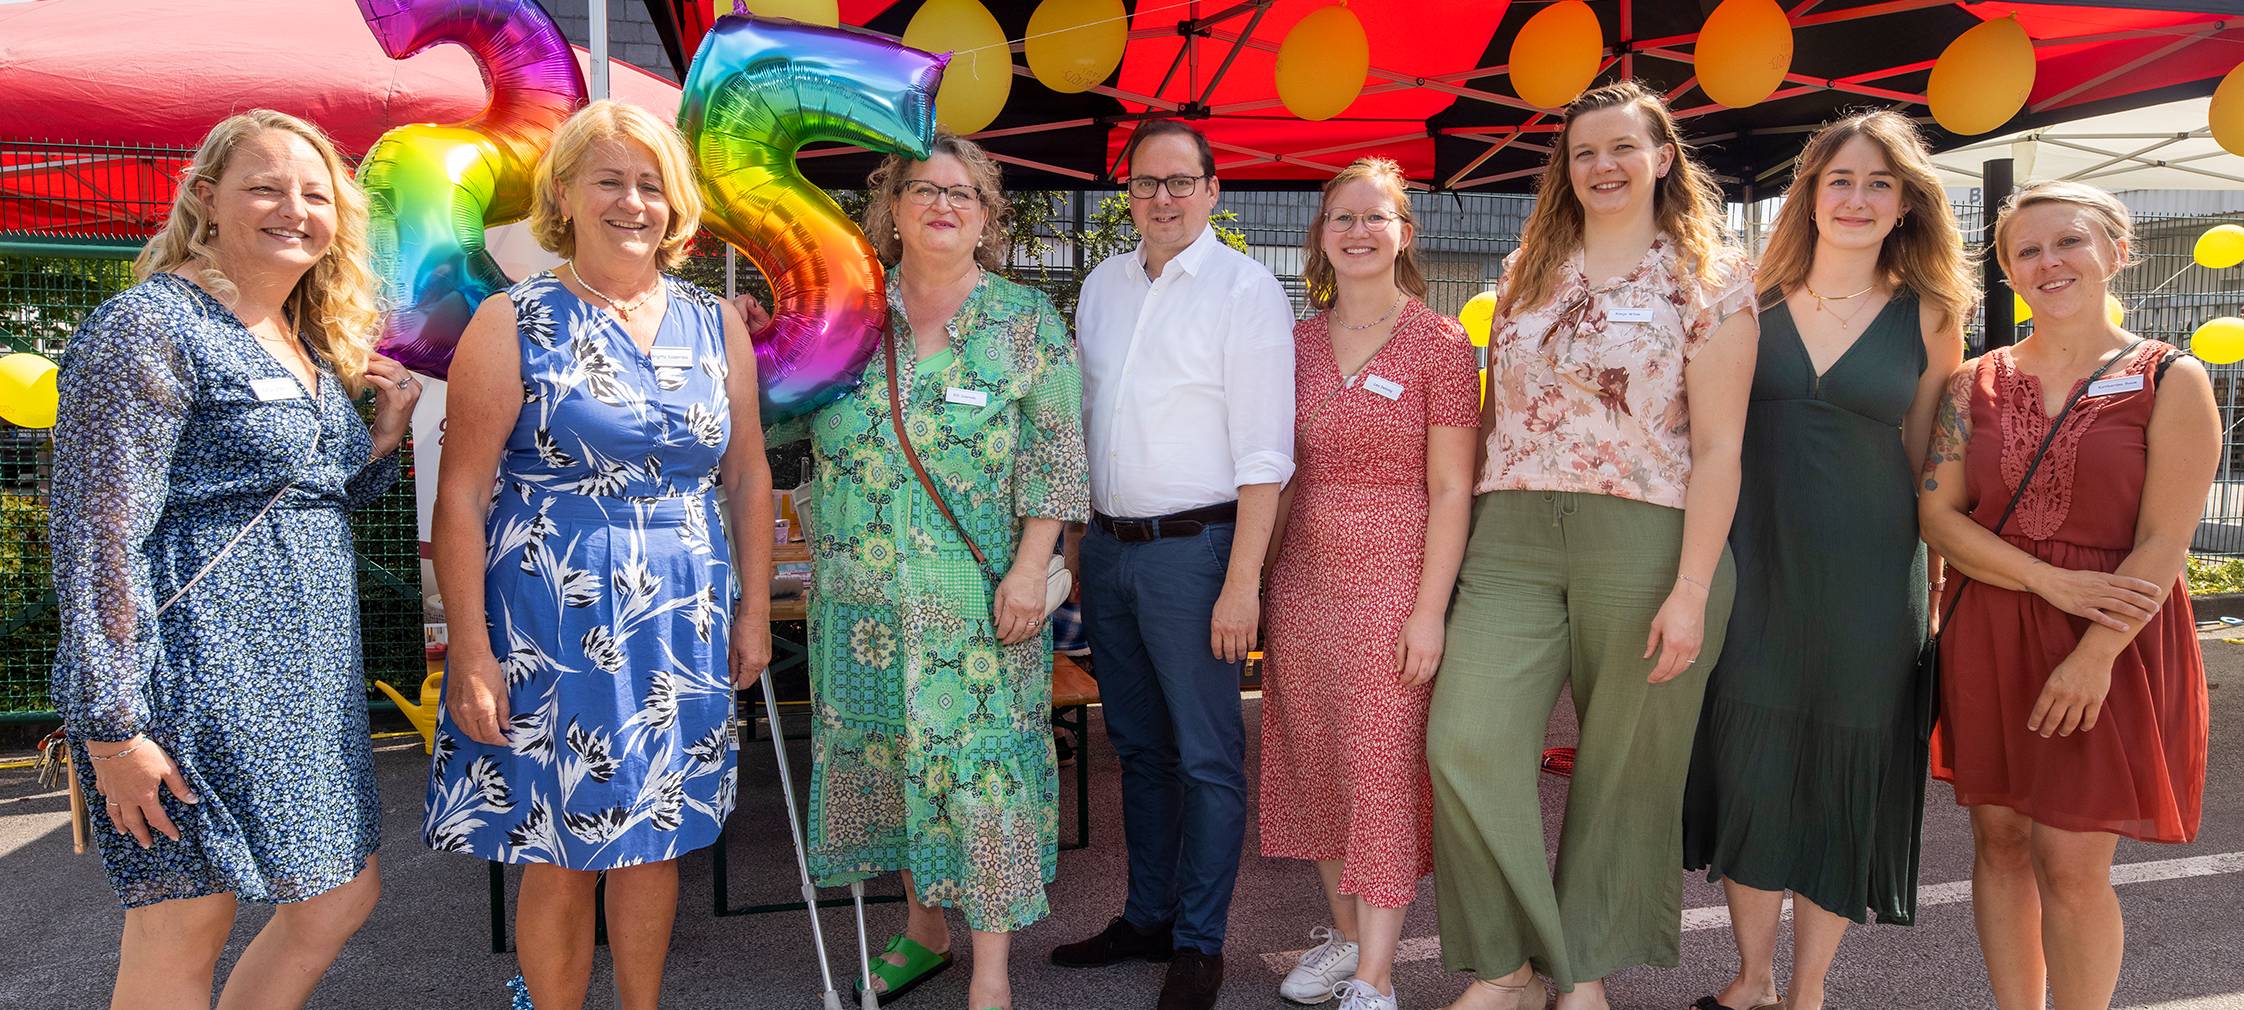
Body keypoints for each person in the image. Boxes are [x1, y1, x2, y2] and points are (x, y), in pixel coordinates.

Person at [49, 108, 418, 1009]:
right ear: (206, 200)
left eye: (314, 192)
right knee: (185, 924)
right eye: (265, 186)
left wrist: (382, 439)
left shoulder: (299, 336)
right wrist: (111, 726)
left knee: (339, 895)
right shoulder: (148, 325)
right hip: (193, 676)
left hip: (301, 682)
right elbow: (96, 537)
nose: (294, 208)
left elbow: (300, 500)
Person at [424, 99, 773, 1010]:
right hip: (552, 615)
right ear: (565, 195)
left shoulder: (714, 322)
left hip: (681, 618)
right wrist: (470, 651)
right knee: (559, 843)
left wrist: (753, 611)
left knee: (656, 838)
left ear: (676, 202)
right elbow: (459, 494)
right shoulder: (512, 320)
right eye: (609, 180)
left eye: (651, 185)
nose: (632, 202)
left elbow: (747, 474)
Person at [1427, 80, 1758, 1010]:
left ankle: (1582, 977)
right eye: (1584, 152)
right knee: (1465, 740)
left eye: (1622, 148)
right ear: (1564, 169)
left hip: (1651, 536)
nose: (1602, 166)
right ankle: (1508, 967)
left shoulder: (1711, 276)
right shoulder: (1529, 261)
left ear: (1663, 159)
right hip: (1514, 532)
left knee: (1624, 769)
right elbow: (1500, 414)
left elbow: (1724, 446)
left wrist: (1692, 587)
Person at [752, 132, 1088, 1010]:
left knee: (982, 780)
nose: (943, 204)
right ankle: (923, 933)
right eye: (923, 189)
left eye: (963, 194)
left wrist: (1030, 571)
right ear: (891, 211)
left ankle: (990, 972)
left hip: (978, 602)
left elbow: (1055, 461)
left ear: (987, 219)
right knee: (898, 762)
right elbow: (775, 437)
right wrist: (759, 355)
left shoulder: (1025, 323)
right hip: (860, 605)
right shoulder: (844, 319)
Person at [1678, 110, 1972, 1010]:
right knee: (1752, 763)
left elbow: (1931, 467)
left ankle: (1806, 994)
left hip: (1870, 583)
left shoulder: (1934, 315)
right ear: (1807, 194)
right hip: (1751, 567)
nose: (1856, 197)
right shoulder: (1738, 297)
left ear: (1905, 205)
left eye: (1878, 183)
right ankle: (1750, 980)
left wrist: (1935, 598)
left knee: (1844, 776)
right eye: (1838, 180)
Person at [1919, 180, 2215, 1010]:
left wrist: (2094, 656)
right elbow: (1937, 517)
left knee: (2073, 863)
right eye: (2028, 251)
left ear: (2119, 252)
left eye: (2069, 241)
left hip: (2112, 638)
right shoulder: (1968, 385)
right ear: (2010, 273)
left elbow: (2163, 541)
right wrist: (2046, 579)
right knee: (2000, 840)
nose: (2049, 262)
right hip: (1992, 629)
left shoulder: (2172, 378)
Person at [1048, 118, 1296, 1010]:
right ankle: (1146, 916)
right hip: (1111, 552)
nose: (1162, 197)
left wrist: (1243, 585)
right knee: (1141, 750)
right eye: (1146, 183)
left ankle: (1200, 943)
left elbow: (1266, 455)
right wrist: (1080, 550)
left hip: (1200, 554)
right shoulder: (1104, 287)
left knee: (1206, 758)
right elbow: (1082, 427)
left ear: (1212, 191)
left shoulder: (1246, 290)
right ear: (1130, 194)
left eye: (1179, 182)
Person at [1257, 156, 1479, 1010]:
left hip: (1395, 580)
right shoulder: (1296, 342)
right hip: (1304, 582)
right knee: (1317, 764)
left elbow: (1453, 488)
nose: (1357, 231)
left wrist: (1430, 612)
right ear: (1322, 236)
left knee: (1383, 771)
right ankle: (1347, 941)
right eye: (1341, 217)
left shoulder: (1441, 342)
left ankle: (1378, 980)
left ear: (1404, 234)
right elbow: (1273, 471)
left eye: (1374, 217)